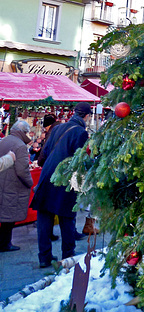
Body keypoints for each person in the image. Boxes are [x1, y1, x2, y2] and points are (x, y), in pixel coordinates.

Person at [31, 102, 92, 268]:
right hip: (65, 178)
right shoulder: (81, 132)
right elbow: (79, 160)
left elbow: (46, 150)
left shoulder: (58, 128)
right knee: (67, 217)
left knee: (44, 217)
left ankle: (44, 257)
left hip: (48, 174)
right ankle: (68, 255)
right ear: (86, 116)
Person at [0, 121, 34, 251]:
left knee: (4, 215)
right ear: (24, 132)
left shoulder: (5, 140)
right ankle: (4, 244)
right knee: (9, 217)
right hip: (13, 185)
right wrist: (30, 183)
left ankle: (3, 242)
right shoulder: (20, 146)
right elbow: (22, 170)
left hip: (3, 182)